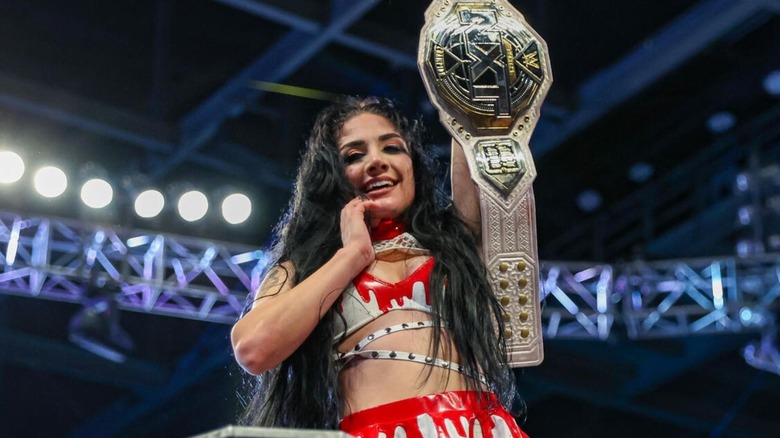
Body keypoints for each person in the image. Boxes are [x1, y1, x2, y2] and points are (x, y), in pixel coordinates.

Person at [231, 96, 530, 437]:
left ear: (413, 164)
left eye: (392, 148)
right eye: (354, 156)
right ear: (332, 177)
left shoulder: (458, 244)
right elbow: (253, 349)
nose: (376, 162)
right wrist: (352, 255)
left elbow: (478, 132)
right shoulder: (301, 269)